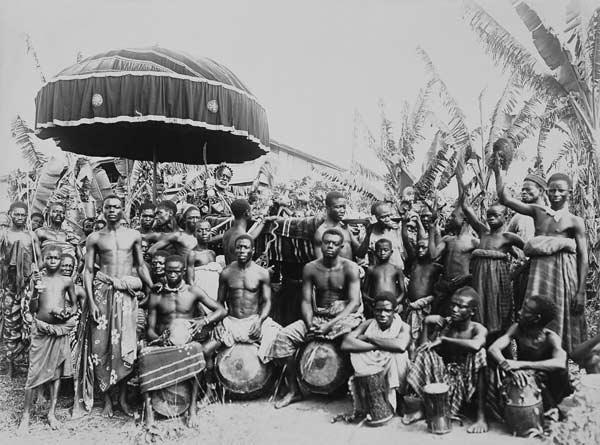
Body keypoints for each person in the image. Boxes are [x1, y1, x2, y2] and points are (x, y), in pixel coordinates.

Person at [496, 166, 588, 353]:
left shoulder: (574, 220)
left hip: (563, 272)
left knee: (563, 310)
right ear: (546, 191)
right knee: (533, 309)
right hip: (539, 272)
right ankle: (533, 351)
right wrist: (498, 171)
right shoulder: (537, 212)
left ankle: (560, 355)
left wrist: (580, 291)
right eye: (552, 190)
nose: (556, 194)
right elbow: (505, 199)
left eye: (560, 190)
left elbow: (583, 256)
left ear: (569, 192)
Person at [270, 229, 363, 408]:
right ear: (321, 244)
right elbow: (305, 301)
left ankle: (357, 391)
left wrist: (330, 325)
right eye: (326, 242)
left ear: (341, 247)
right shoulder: (311, 268)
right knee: (284, 337)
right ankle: (293, 390)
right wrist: (309, 322)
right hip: (318, 316)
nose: (330, 246)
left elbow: (354, 303)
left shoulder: (350, 267)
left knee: (353, 340)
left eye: (335, 244)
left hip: (342, 318)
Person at [83, 195, 154, 417]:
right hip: (102, 293)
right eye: (108, 207)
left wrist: (151, 286)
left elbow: (140, 264)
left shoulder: (133, 235)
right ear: (102, 210)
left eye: (116, 207)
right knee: (101, 346)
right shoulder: (95, 238)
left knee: (124, 344)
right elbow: (88, 271)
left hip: (125, 296)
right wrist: (92, 302)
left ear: (123, 210)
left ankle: (122, 399)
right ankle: (106, 399)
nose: (112, 210)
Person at [142, 255, 226, 427]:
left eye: (176, 272)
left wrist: (204, 321)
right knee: (144, 355)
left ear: (183, 272)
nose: (172, 275)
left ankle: (192, 409)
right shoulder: (157, 295)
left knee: (196, 350)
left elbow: (220, 310)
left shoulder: (193, 291)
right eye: (169, 272)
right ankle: (149, 413)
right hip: (163, 343)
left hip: (187, 343)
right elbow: (149, 328)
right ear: (164, 272)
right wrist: (158, 340)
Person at [404, 286, 488, 434]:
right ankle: (424, 408)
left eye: (461, 307)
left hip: (466, 383)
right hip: (443, 381)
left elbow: (476, 345)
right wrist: (426, 323)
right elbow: (423, 348)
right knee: (426, 354)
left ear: (472, 311)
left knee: (480, 355)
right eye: (453, 305)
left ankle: (481, 418)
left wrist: (444, 340)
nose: (455, 309)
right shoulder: (446, 324)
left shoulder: (477, 329)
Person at [18, 246, 78, 433]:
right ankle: (26, 415)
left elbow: (75, 306)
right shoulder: (37, 280)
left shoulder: (67, 281)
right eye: (49, 258)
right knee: (34, 372)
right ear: (43, 259)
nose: (53, 261)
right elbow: (32, 308)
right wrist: (36, 291)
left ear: (61, 260)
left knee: (56, 374)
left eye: (56, 258)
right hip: (42, 331)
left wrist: (67, 313)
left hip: (59, 330)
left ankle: (51, 413)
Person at [458, 177, 524, 340]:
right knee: (480, 307)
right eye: (488, 215)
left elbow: (528, 253)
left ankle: (498, 343)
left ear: (505, 216)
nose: (490, 218)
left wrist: (515, 274)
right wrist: (461, 182)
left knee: (497, 310)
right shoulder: (482, 232)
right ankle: (481, 340)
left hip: (497, 279)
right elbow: (466, 208)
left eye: (496, 215)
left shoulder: (508, 237)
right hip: (480, 278)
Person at [487, 294, 572, 417]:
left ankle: (555, 408)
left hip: (547, 381)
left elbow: (560, 362)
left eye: (525, 310)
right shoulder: (517, 329)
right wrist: (508, 366)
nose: (520, 312)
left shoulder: (551, 338)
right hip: (525, 376)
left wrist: (520, 364)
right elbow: (493, 349)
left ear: (536, 318)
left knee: (560, 373)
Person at [210, 235, 281, 366]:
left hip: (253, 320)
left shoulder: (261, 273)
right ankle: (210, 384)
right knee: (207, 349)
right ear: (234, 250)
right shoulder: (226, 272)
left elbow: (267, 301)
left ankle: (275, 383)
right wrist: (219, 323)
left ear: (252, 250)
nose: (242, 250)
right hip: (231, 322)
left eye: (245, 247)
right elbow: (219, 302)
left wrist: (260, 321)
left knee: (280, 346)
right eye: (239, 247)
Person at [341, 292, 410, 416]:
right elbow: (346, 343)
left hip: (391, 363)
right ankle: (373, 396)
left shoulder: (403, 326)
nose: (382, 314)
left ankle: (399, 397)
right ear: (373, 310)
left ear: (395, 311)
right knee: (356, 352)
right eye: (378, 310)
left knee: (399, 355)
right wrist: (379, 345)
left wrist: (369, 338)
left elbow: (401, 346)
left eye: (387, 311)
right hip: (375, 364)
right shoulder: (369, 323)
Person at [0, 201, 41, 377]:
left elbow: (39, 260)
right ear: (10, 214)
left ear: (26, 216)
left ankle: (29, 363)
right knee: (10, 324)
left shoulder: (31, 236)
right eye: (16, 214)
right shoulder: (4, 235)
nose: (19, 217)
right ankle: (10, 366)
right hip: (9, 285)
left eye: (22, 215)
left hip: (27, 285)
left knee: (29, 322)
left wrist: (36, 273)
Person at [506, 173, 547, 315]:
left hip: (544, 270)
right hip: (523, 270)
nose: (523, 192)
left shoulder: (550, 214)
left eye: (528, 189)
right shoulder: (518, 216)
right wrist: (517, 255)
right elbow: (505, 238)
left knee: (542, 310)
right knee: (522, 309)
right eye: (522, 189)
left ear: (541, 191)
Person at [428, 200, 479, 316]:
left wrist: (468, 277)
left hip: (461, 287)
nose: (450, 218)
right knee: (439, 313)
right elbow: (433, 255)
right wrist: (431, 230)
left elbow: (482, 265)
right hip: (445, 286)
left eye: (453, 216)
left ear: (465, 220)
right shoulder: (448, 239)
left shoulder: (473, 242)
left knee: (456, 315)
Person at [404, 236, 442, 358]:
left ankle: (421, 359)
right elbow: (406, 242)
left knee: (424, 334)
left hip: (426, 306)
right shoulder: (414, 264)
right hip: (411, 305)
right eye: (418, 247)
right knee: (411, 335)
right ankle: (411, 359)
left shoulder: (436, 267)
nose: (420, 250)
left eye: (423, 247)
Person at [313, 191, 366, 261]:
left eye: (344, 207)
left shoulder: (344, 227)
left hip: (350, 270)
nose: (342, 210)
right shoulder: (321, 232)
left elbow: (360, 254)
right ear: (328, 208)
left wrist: (368, 233)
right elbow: (321, 264)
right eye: (338, 207)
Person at [363, 238, 405, 316]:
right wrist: (373, 301)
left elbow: (402, 292)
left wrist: (395, 302)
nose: (382, 253)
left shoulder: (396, 269)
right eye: (379, 250)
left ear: (391, 252)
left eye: (386, 250)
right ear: (375, 252)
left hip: (393, 307)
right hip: (376, 307)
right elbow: (364, 292)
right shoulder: (371, 269)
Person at [358, 201, 405, 270]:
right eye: (383, 217)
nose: (388, 219)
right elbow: (360, 255)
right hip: (382, 276)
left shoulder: (395, 229)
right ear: (374, 218)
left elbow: (402, 253)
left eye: (389, 215)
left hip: (399, 274)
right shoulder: (369, 233)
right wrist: (368, 234)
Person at [222, 199, 268, 265]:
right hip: (239, 274)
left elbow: (250, 236)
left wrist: (264, 221)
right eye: (251, 211)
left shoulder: (228, 233)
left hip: (229, 272)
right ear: (247, 212)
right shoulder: (241, 237)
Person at [186, 219, 220, 299]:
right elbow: (190, 281)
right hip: (201, 295)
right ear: (194, 234)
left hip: (214, 293)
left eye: (207, 230)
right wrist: (198, 300)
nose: (204, 233)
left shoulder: (212, 253)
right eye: (200, 231)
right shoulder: (193, 254)